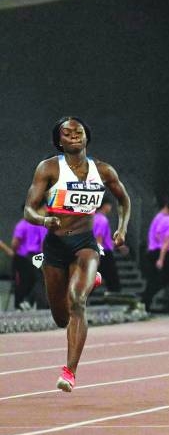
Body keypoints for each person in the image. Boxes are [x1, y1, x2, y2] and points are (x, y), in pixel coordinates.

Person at [22, 116, 131, 391]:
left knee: (76, 301)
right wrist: (44, 220)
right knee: (61, 317)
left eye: (78, 132)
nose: (74, 136)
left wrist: (122, 229)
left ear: (86, 137)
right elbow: (29, 209)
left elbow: (124, 199)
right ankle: (88, 281)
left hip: (85, 244)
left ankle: (69, 371)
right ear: (59, 141)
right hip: (55, 247)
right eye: (67, 133)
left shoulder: (103, 171)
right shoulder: (48, 169)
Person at [9, 218, 47, 310]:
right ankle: (30, 301)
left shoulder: (22, 224)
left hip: (24, 257)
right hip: (37, 254)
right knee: (41, 279)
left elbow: (14, 244)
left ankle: (25, 302)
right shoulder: (41, 224)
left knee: (29, 282)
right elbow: (44, 243)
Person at [93, 201, 126, 294]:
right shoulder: (102, 220)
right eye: (110, 205)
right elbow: (98, 239)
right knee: (113, 281)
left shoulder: (93, 218)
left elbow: (103, 240)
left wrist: (118, 246)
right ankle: (115, 300)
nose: (111, 208)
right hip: (104, 254)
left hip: (98, 251)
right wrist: (98, 256)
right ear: (105, 206)